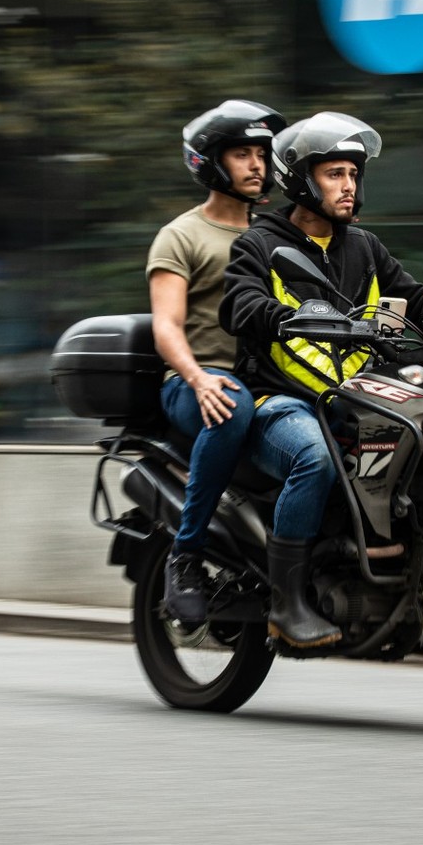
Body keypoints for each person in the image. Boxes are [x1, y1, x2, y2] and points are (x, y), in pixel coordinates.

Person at [220, 112, 423, 649]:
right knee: (313, 457)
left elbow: (417, 300)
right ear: (301, 179)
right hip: (282, 400)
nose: (348, 186)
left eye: (352, 175)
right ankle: (286, 602)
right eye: (335, 174)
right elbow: (238, 303)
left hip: (357, 399)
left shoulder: (364, 247)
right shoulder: (260, 243)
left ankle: (402, 599)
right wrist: (278, 314)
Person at [147, 99, 287, 626]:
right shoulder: (182, 236)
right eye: (243, 155)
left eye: (262, 155)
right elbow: (166, 324)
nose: (257, 165)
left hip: (268, 381)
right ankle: (186, 556)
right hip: (198, 382)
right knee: (231, 404)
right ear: (210, 163)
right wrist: (197, 377)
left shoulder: (275, 234)